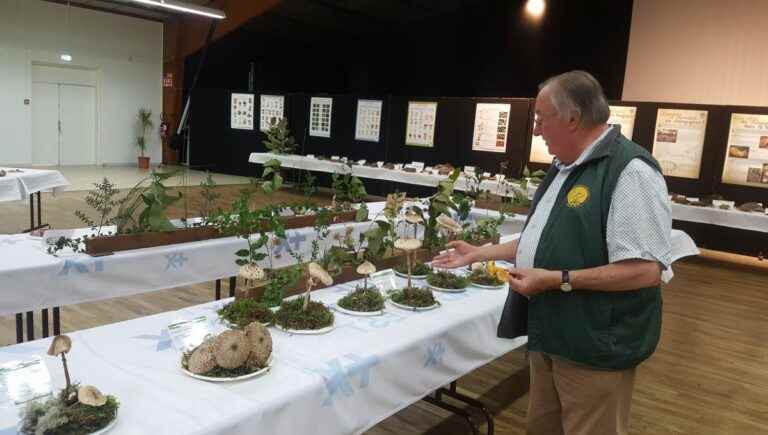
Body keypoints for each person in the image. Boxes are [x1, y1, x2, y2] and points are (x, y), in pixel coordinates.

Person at [433, 70, 672, 435]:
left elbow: (644, 271)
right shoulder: (566, 168)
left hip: (594, 346)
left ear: (573, 119)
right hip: (552, 334)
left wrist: (557, 279)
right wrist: (478, 254)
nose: (536, 130)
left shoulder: (630, 172)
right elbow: (540, 240)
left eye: (541, 119)